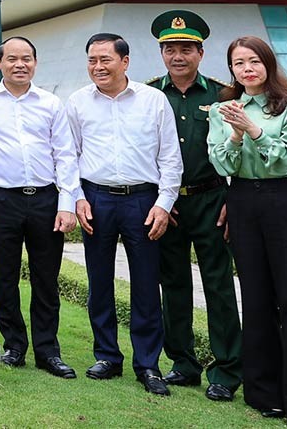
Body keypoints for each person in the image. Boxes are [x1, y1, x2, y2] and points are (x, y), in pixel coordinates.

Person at [207, 36, 287, 426]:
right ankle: (264, 394)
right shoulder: (224, 109)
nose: (247, 69)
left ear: (268, 64)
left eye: (254, 61)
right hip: (242, 202)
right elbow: (222, 163)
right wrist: (237, 133)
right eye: (238, 64)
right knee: (255, 299)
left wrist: (254, 131)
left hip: (283, 201)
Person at [66, 33, 181, 396]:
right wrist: (76, 199)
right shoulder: (78, 102)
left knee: (146, 284)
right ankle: (107, 356)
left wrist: (164, 203)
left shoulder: (154, 101)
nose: (98, 67)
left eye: (105, 59)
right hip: (96, 199)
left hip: (142, 201)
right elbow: (69, 156)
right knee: (98, 282)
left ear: (125, 61)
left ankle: (148, 364)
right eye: (92, 60)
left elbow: (170, 160)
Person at [0, 36, 80, 380]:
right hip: (1, 199)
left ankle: (48, 351)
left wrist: (67, 203)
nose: (20, 64)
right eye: (12, 58)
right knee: (6, 278)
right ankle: (14, 345)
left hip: (45, 199)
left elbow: (65, 154)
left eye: (27, 58)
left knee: (46, 279)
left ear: (35, 62)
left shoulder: (50, 103)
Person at [145, 10, 241, 402]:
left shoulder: (223, 94)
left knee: (218, 286)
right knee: (174, 285)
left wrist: (234, 199)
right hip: (169, 204)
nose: (177, 56)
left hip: (212, 200)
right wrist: (161, 200)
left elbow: (242, 149)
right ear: (162, 53)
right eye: (170, 49)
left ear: (201, 53)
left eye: (186, 49)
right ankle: (183, 364)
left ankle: (227, 370)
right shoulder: (150, 95)